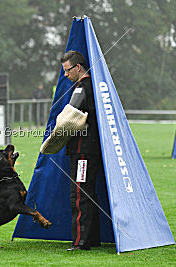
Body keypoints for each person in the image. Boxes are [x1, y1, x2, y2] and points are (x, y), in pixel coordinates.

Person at [60, 50, 101, 251]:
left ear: (78, 67)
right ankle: (91, 239)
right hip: (89, 149)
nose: (65, 75)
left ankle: (80, 242)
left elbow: (70, 119)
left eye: (68, 71)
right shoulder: (94, 86)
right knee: (89, 193)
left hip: (82, 151)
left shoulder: (82, 88)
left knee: (79, 194)